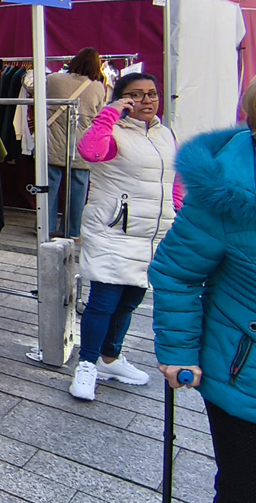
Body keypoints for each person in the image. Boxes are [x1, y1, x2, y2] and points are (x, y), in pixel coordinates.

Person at [150, 66, 256, 502]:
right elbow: (176, 272)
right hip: (248, 378)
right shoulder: (226, 196)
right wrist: (179, 351)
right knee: (248, 490)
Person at [68, 72, 178, 401]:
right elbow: (89, 151)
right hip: (114, 231)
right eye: (137, 94)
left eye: (152, 93)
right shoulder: (111, 130)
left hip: (151, 234)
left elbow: (174, 179)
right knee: (104, 301)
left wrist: (177, 209)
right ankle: (86, 364)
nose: (147, 100)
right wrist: (110, 113)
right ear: (122, 99)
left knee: (131, 299)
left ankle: (110, 358)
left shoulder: (164, 134)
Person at [46, 48, 108, 239]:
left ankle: (45, 227)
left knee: (49, 187)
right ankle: (73, 230)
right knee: (79, 189)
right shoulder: (98, 87)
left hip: (54, 139)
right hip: (81, 143)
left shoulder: (54, 79)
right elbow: (99, 114)